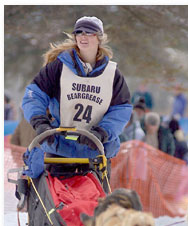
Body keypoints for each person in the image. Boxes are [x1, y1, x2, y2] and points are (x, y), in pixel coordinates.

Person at [22, 16, 132, 176]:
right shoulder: (58, 67)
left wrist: (102, 132)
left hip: (96, 151)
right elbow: (34, 95)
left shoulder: (112, 74)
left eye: (89, 32)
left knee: (95, 200)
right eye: (79, 32)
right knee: (56, 199)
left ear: (99, 38)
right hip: (59, 149)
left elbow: (121, 109)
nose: (83, 36)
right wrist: (40, 122)